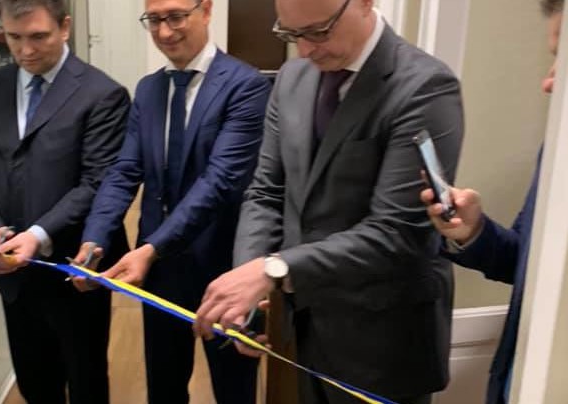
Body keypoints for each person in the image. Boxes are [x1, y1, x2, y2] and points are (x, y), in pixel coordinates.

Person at [194, 0, 465, 403]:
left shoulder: (425, 87)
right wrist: (249, 298)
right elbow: (267, 192)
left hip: (382, 345)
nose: (305, 49)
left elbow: (396, 233)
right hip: (297, 331)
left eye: (319, 31)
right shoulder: (292, 77)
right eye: (291, 33)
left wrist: (274, 269)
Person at [72, 0, 271, 402]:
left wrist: (151, 249)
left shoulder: (246, 86)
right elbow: (125, 170)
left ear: (206, 10)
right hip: (161, 271)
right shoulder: (148, 90)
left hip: (222, 267)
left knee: (233, 389)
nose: (164, 32)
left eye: (176, 16)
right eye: (154, 19)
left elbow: (219, 181)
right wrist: (94, 239)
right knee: (164, 385)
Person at [0, 0, 131, 402]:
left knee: (86, 380)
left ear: (64, 27)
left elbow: (97, 182)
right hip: (12, 272)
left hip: (75, 268)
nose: (25, 50)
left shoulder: (103, 94)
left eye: (38, 36)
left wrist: (37, 235)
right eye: (13, 37)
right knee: (34, 381)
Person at [420, 1, 562, 403]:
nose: (549, 82)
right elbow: (526, 266)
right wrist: (474, 232)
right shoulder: (556, 152)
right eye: (554, 59)